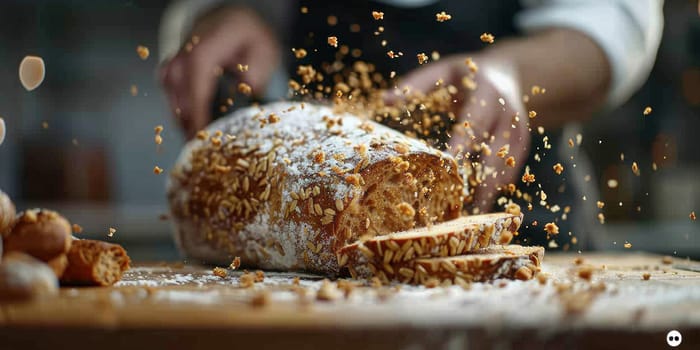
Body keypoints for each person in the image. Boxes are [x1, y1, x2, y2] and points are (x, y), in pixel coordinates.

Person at [158, 0, 664, 249]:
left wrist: (513, 72)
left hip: (522, 232)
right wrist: (225, 10)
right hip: (323, 231)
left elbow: (610, 26)